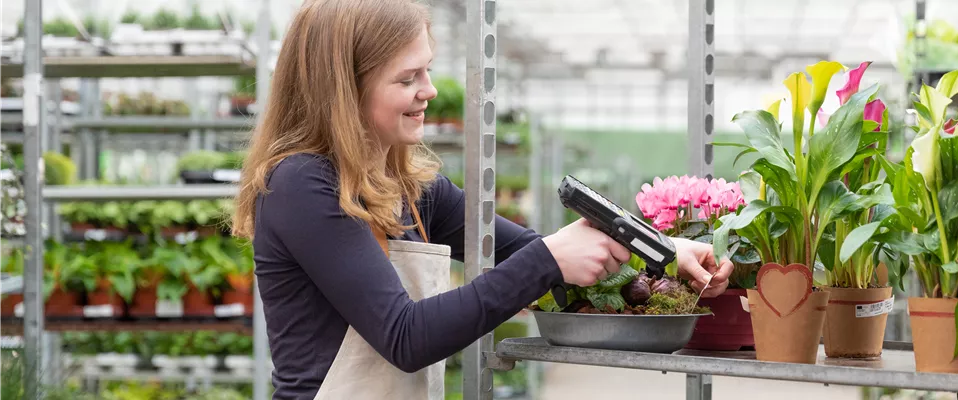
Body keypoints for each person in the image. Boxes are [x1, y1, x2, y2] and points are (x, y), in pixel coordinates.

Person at [229, 0, 733, 399]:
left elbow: (524, 249)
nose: (428, 90)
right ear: (343, 90)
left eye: (426, 70)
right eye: (406, 78)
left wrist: (665, 256)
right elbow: (406, 337)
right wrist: (550, 258)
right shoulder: (301, 184)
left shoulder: (406, 187)